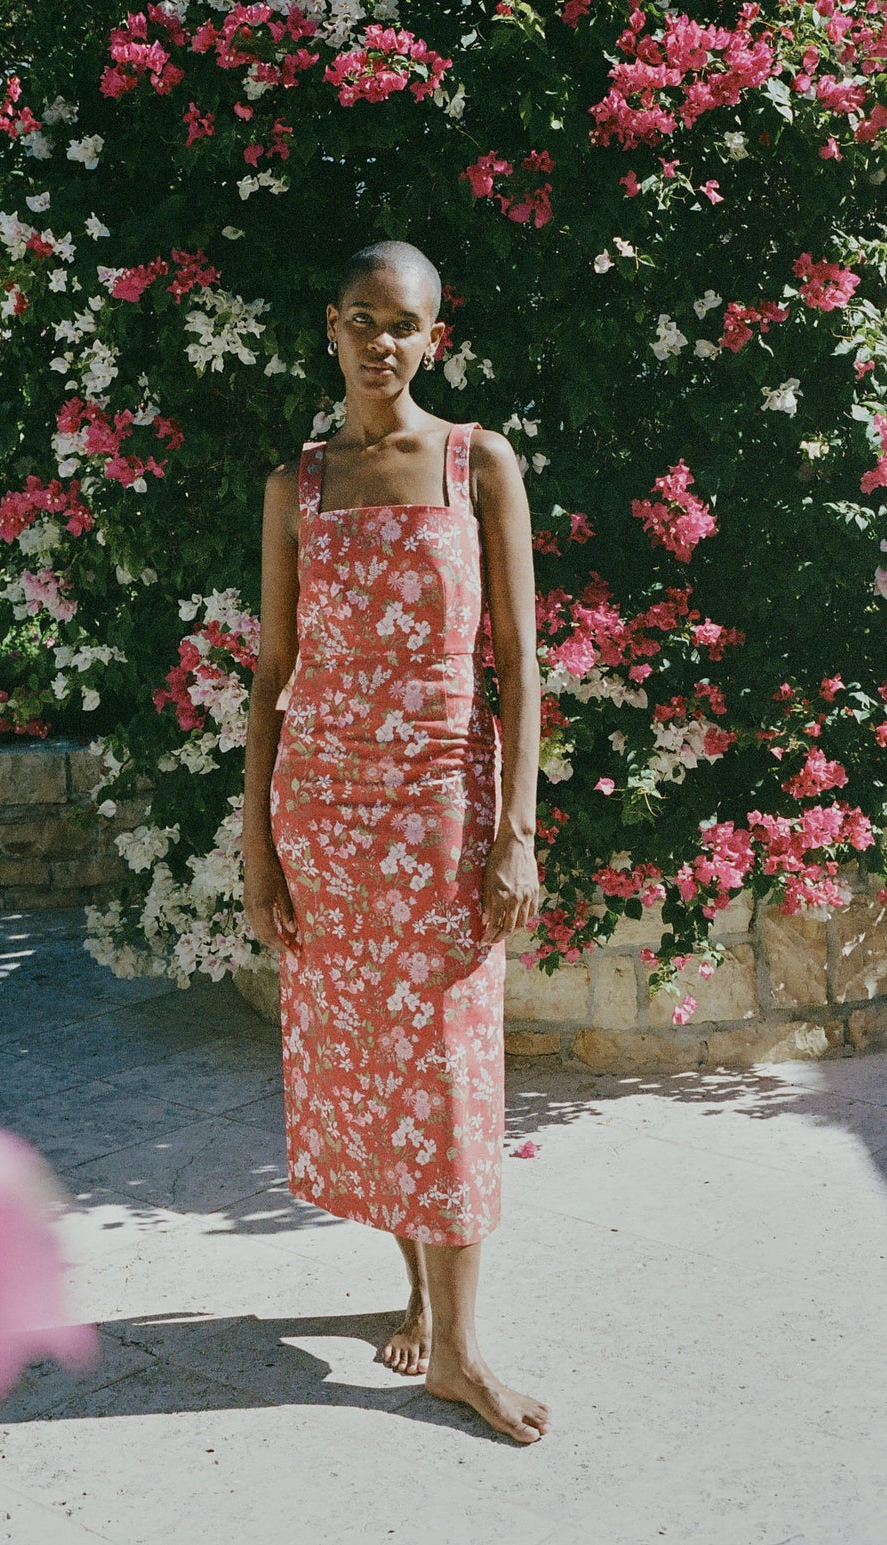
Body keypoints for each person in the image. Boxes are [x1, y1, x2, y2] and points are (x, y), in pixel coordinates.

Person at [242, 240, 548, 1444]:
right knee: (373, 1061)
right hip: (323, 807)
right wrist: (259, 849)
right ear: (330, 328)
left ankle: (458, 1354)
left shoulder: (478, 461)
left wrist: (516, 829)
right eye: (361, 320)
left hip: (441, 805)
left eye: (403, 323)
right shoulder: (298, 484)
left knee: (448, 1068)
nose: (381, 342)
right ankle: (422, 1297)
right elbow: (274, 671)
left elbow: (517, 662)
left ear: (435, 339)